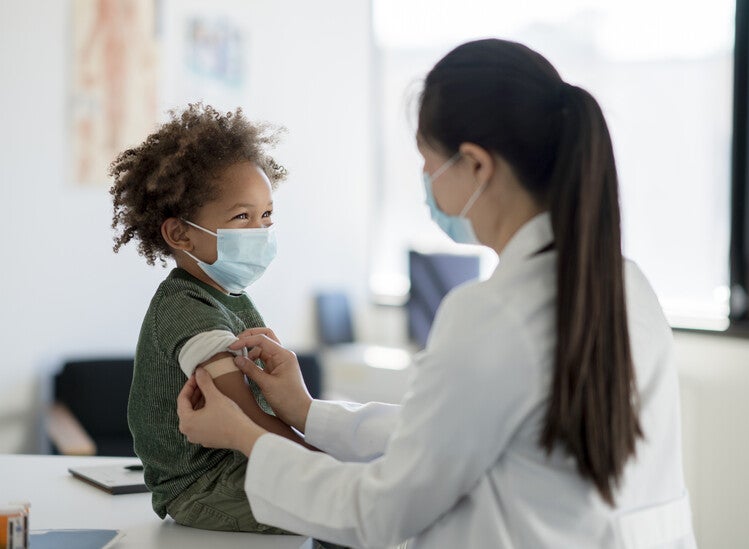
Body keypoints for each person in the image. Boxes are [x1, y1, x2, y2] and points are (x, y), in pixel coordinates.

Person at [177, 39, 696, 548]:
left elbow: (379, 511)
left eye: (428, 162)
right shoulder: (628, 286)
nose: (426, 183)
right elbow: (447, 435)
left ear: (476, 164)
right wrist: (307, 411)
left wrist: (245, 435)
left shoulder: (492, 313)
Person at [110, 103, 309, 533]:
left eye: (267, 215)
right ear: (180, 234)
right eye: (242, 217)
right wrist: (321, 464)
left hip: (243, 463)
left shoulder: (228, 296)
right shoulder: (186, 307)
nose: (261, 231)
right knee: (336, 510)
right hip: (203, 485)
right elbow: (245, 416)